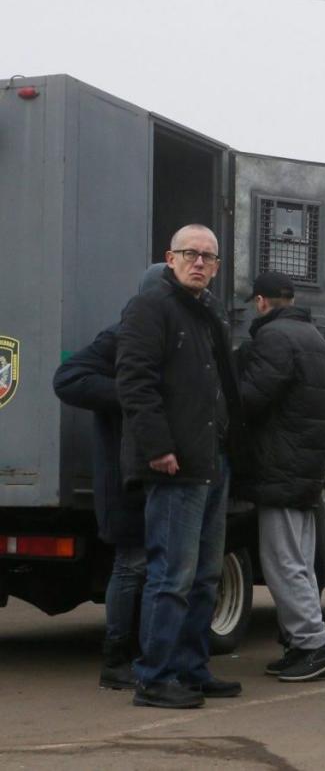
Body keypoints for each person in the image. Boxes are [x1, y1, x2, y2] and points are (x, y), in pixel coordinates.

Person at [116, 225, 244, 709]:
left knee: (205, 575)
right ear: (169, 258)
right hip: (173, 466)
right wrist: (157, 447)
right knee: (171, 576)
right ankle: (154, 678)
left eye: (209, 257)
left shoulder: (208, 312)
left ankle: (191, 670)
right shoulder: (150, 307)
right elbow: (134, 380)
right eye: (191, 254)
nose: (200, 263)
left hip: (212, 462)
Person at [52, 263, 167, 689]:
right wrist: (133, 398)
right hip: (122, 474)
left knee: (154, 568)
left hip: (158, 473)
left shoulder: (171, 339)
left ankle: (144, 654)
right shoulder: (119, 336)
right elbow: (69, 379)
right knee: (131, 564)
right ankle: (116, 658)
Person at [237, 271, 325, 683]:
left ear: (262, 302)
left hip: (279, 474)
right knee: (300, 563)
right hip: (304, 475)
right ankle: (299, 644)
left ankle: (314, 643)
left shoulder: (273, 339)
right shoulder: (317, 342)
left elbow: (248, 399)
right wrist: (318, 461)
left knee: (283, 562)